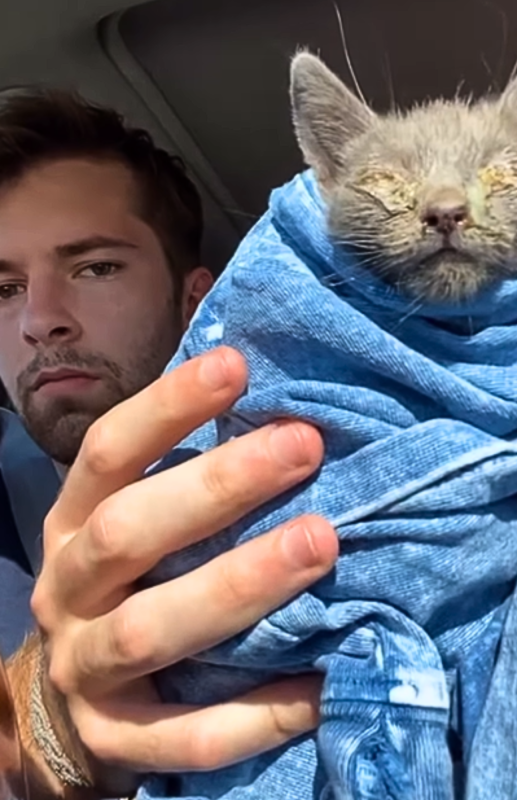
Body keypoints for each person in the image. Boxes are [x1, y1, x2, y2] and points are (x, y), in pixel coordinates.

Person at [0, 88, 337, 799]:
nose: (40, 319)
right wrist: (47, 730)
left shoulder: (318, 476)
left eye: (94, 267)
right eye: (3, 288)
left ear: (197, 302)